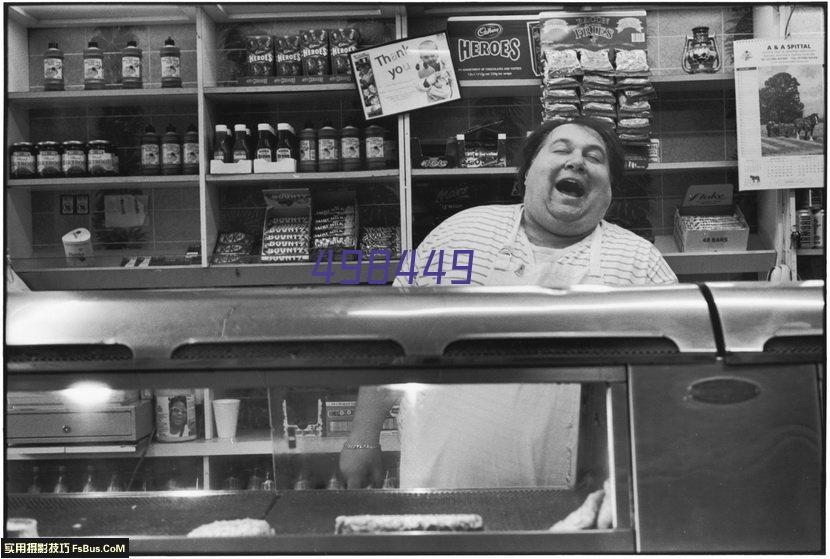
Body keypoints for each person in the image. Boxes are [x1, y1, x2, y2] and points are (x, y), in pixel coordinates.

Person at [339, 118, 676, 494]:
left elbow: (669, 386)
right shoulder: (459, 234)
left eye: (594, 158)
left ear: (610, 189)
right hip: (440, 483)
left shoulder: (639, 263)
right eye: (561, 150)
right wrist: (363, 437)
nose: (577, 162)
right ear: (528, 174)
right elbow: (395, 335)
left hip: (575, 503)